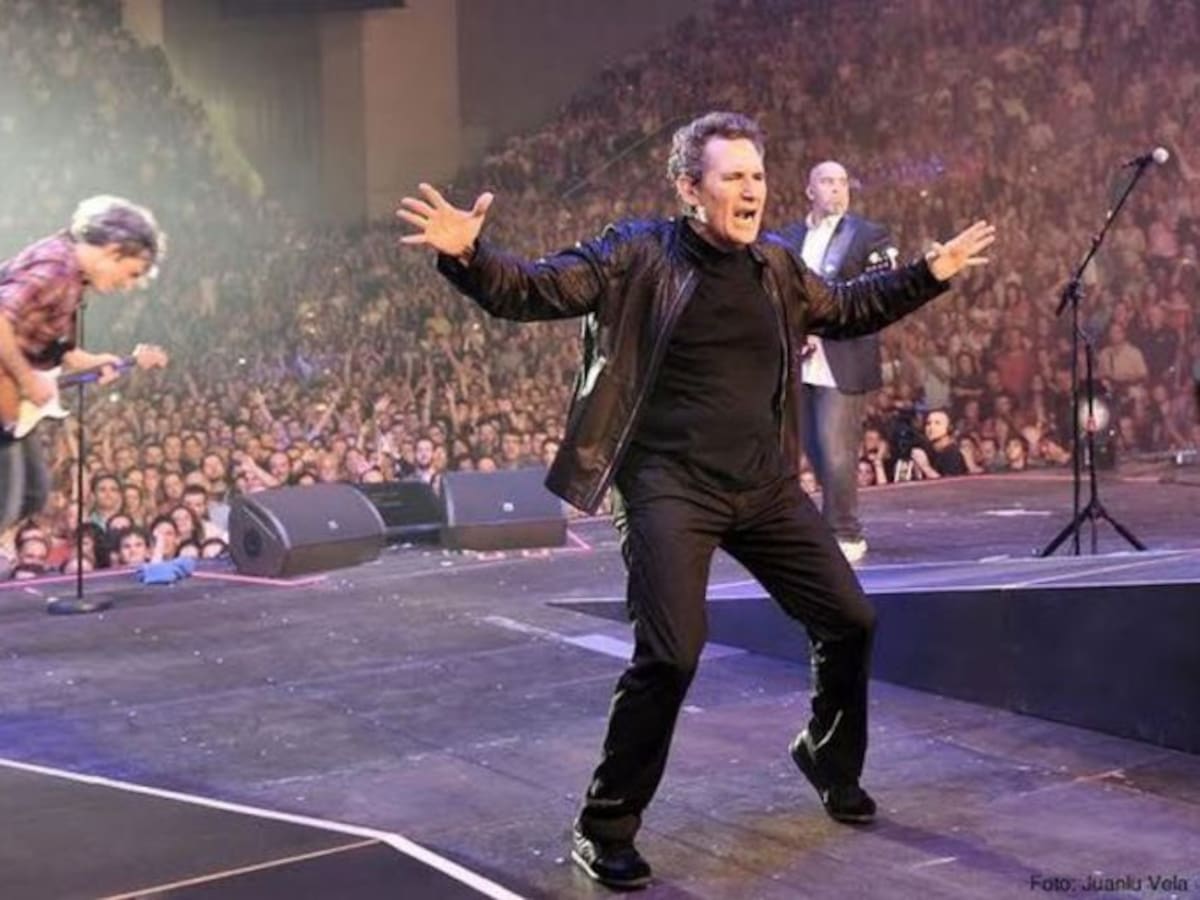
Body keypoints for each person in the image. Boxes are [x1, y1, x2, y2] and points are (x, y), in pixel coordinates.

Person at [397, 111, 994, 890]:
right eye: (732, 177)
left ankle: (826, 755)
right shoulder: (636, 253)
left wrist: (930, 271)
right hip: (666, 486)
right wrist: (470, 257)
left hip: (762, 486)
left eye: (757, 176)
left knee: (850, 620)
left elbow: (850, 307)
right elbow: (537, 289)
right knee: (672, 653)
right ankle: (605, 823)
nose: (751, 191)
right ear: (689, 188)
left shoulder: (776, 266)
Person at [0, 195, 166, 532]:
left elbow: (49, 343)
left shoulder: (74, 277)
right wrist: (27, 379)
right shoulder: (57, 268)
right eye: (131, 273)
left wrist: (91, 361)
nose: (128, 285)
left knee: (32, 495)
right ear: (113, 251)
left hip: (11, 392)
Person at [779, 161, 898, 563]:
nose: (837, 189)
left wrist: (822, 327)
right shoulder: (788, 238)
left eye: (843, 182)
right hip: (799, 358)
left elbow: (876, 290)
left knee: (835, 448)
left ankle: (846, 532)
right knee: (812, 447)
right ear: (809, 190)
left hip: (841, 356)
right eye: (828, 182)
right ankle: (823, 527)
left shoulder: (866, 234)